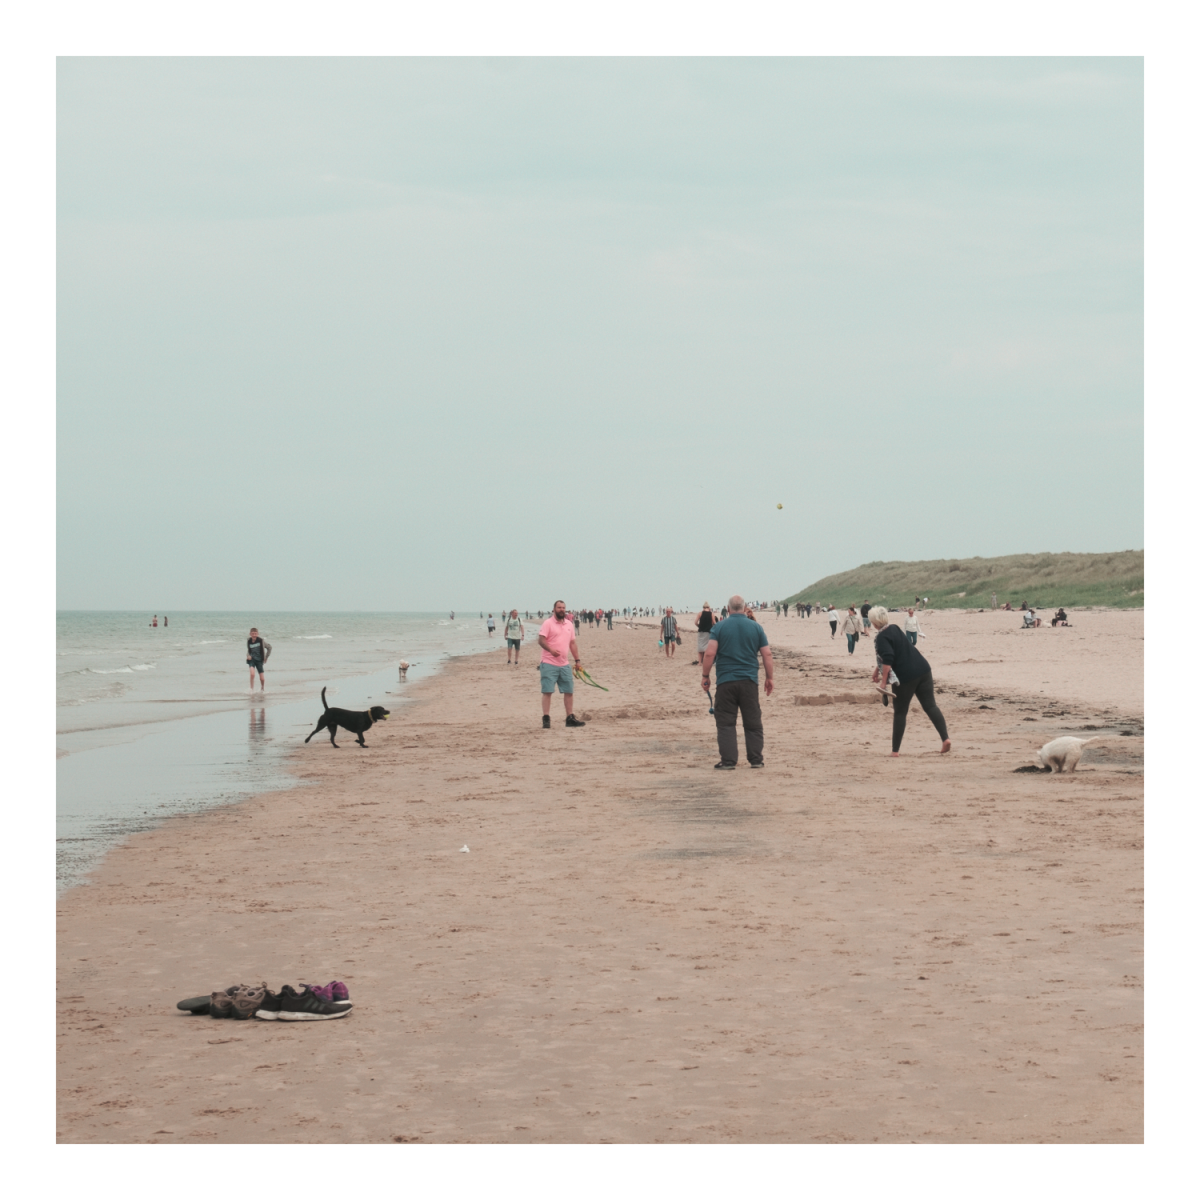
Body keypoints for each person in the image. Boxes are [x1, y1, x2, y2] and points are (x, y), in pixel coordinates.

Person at [700, 595, 775, 769]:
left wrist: (705, 676)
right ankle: (756, 760)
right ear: (744, 607)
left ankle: (728, 761)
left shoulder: (719, 627)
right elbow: (767, 654)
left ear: (728, 609)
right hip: (749, 681)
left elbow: (710, 653)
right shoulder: (756, 627)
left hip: (726, 681)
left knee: (726, 723)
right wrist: (769, 678)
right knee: (753, 722)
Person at [868, 606, 949, 757]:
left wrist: (883, 683)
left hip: (905, 676)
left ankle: (895, 751)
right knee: (930, 706)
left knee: (900, 712)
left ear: (874, 623)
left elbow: (888, 658)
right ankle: (945, 739)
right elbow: (892, 653)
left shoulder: (881, 637)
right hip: (923, 669)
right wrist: (877, 670)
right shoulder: (894, 628)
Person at [538, 601, 586, 728]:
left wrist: (577, 661)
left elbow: (572, 644)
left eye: (563, 608)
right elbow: (541, 640)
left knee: (569, 691)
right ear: (554, 609)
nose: (561, 610)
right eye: (559, 607)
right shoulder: (548, 623)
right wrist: (551, 650)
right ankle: (546, 718)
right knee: (547, 691)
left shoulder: (569, 624)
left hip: (565, 664)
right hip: (548, 663)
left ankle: (570, 718)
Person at [246, 627, 270, 691]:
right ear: (250, 634)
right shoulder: (249, 641)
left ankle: (262, 688)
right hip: (252, 660)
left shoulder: (261, 641)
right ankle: (251, 689)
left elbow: (269, 647)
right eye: (253, 634)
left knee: (262, 679)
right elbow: (249, 650)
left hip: (259, 660)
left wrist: (266, 657)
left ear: (258, 634)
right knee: (252, 674)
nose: (254, 635)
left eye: (255, 633)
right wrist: (248, 655)